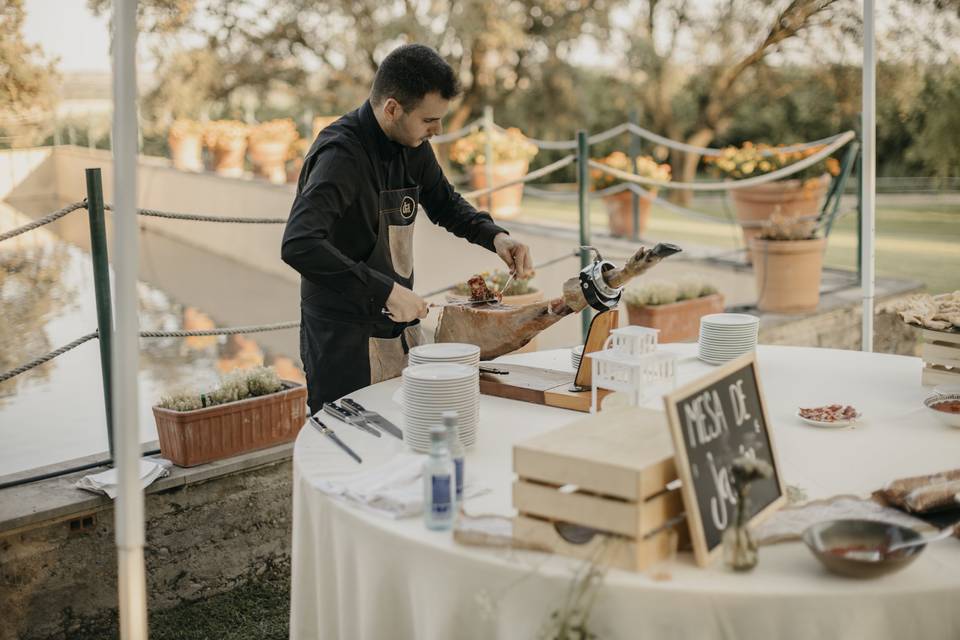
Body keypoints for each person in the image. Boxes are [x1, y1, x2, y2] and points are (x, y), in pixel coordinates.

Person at [282, 43, 535, 413]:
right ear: (391, 108)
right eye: (430, 120)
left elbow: (445, 203)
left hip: (397, 328)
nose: (438, 129)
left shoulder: (412, 143)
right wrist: (386, 291)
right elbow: (299, 244)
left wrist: (495, 236)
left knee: (404, 439)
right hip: (342, 339)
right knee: (348, 446)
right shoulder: (340, 156)